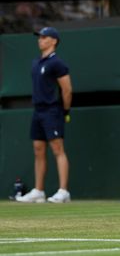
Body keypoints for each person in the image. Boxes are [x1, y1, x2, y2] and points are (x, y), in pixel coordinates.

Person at [15, 27, 72, 204]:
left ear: (53, 41)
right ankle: (39, 191)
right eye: (39, 37)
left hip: (52, 111)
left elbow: (67, 89)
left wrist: (65, 111)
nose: (40, 40)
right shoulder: (36, 62)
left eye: (44, 37)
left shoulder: (57, 63)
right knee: (38, 150)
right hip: (38, 111)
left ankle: (63, 191)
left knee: (57, 149)